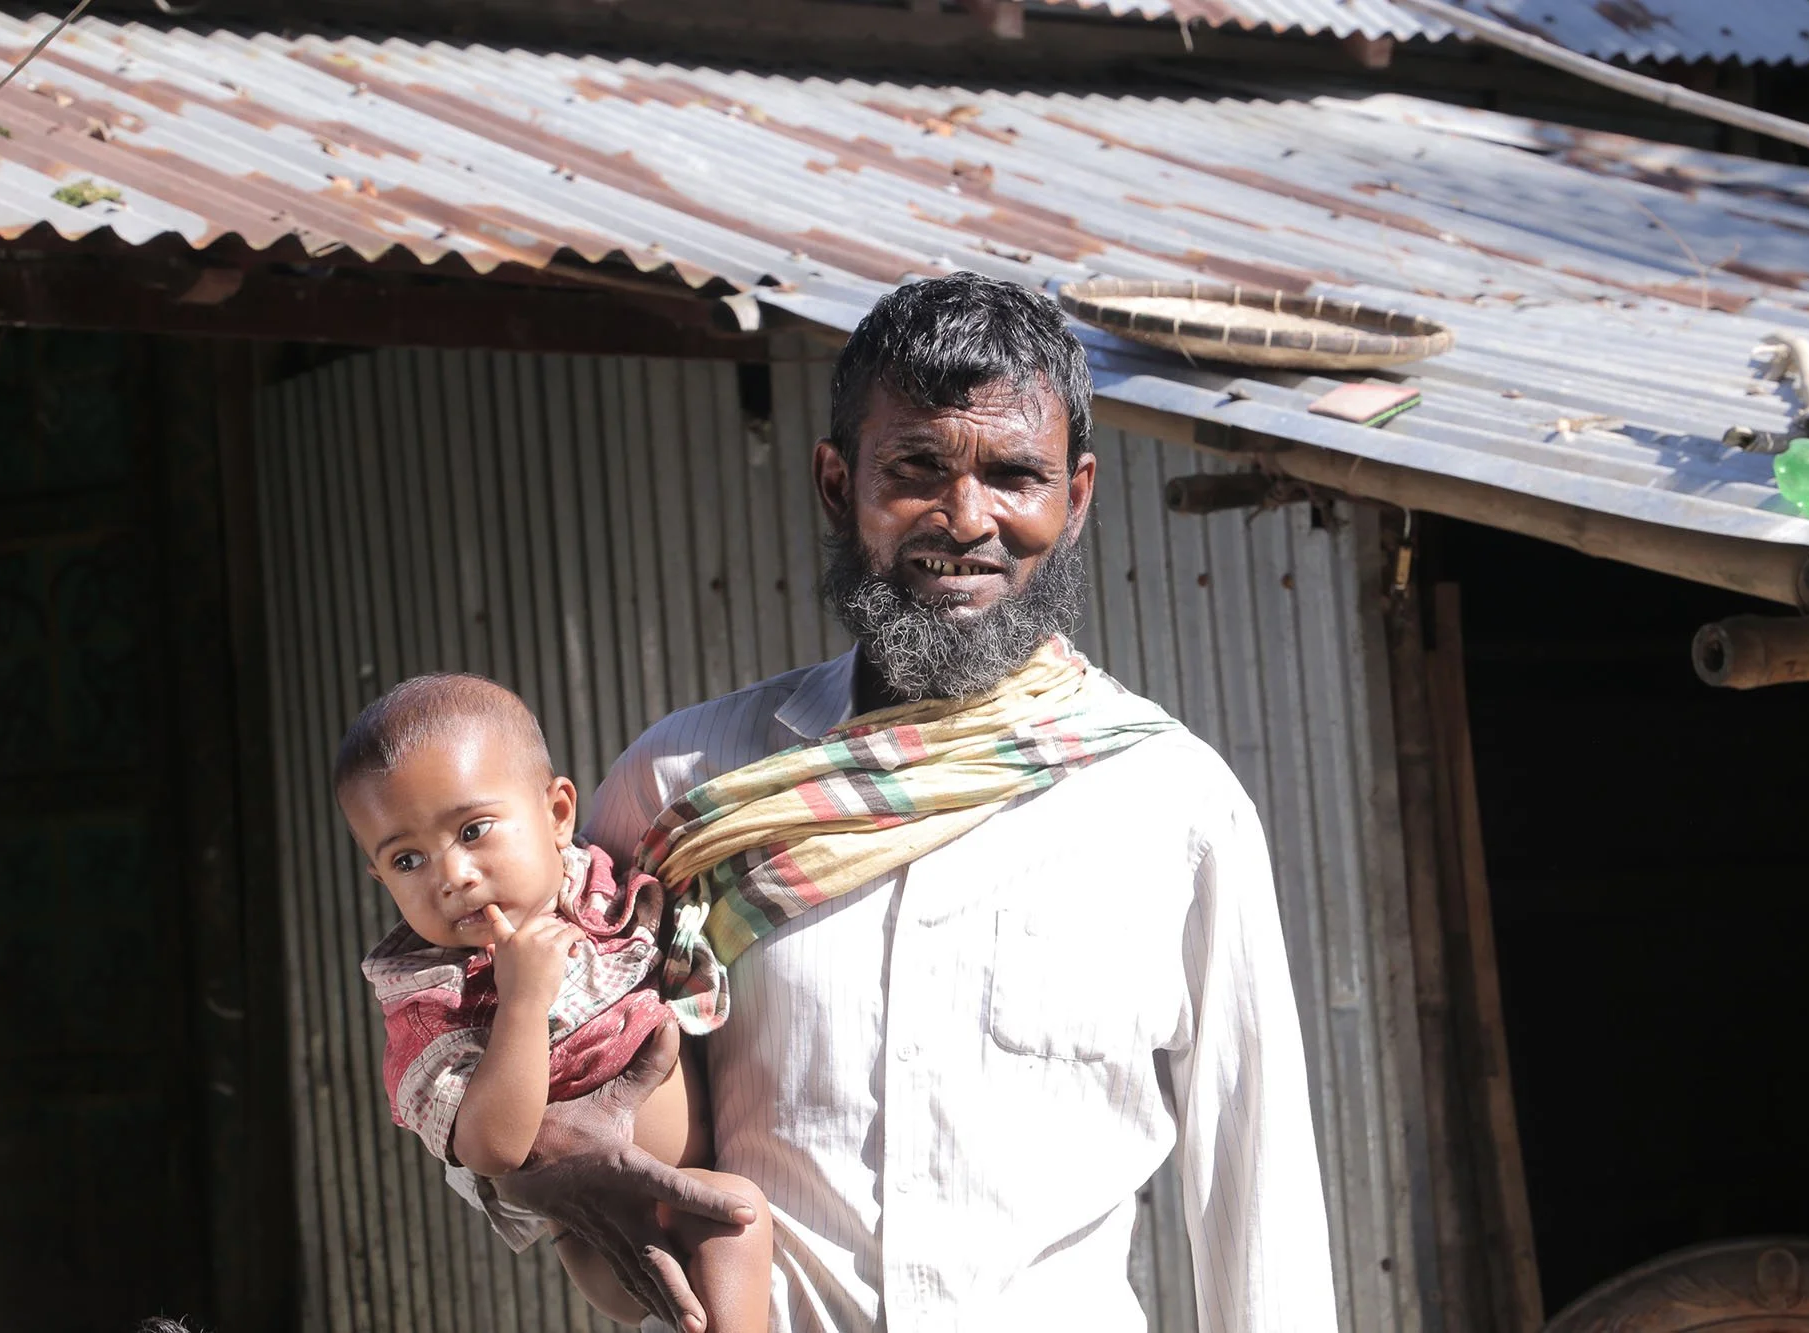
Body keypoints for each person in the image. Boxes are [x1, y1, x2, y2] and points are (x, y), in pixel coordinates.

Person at [491, 271, 1333, 1332]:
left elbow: (1254, 1185)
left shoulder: (1172, 807)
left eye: (1014, 475)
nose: (966, 519)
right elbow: (501, 1044)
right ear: (837, 483)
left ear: (1075, 499)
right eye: (917, 468)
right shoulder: (684, 787)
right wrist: (544, 1174)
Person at [336, 675, 773, 1331]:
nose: (452, 876)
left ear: (558, 814)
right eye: (406, 860)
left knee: (732, 1217)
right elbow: (490, 1149)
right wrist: (521, 1003)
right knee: (735, 1212)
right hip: (604, 1232)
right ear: (379, 876)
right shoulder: (434, 1000)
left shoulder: (598, 881)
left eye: (473, 830)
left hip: (703, 1172)